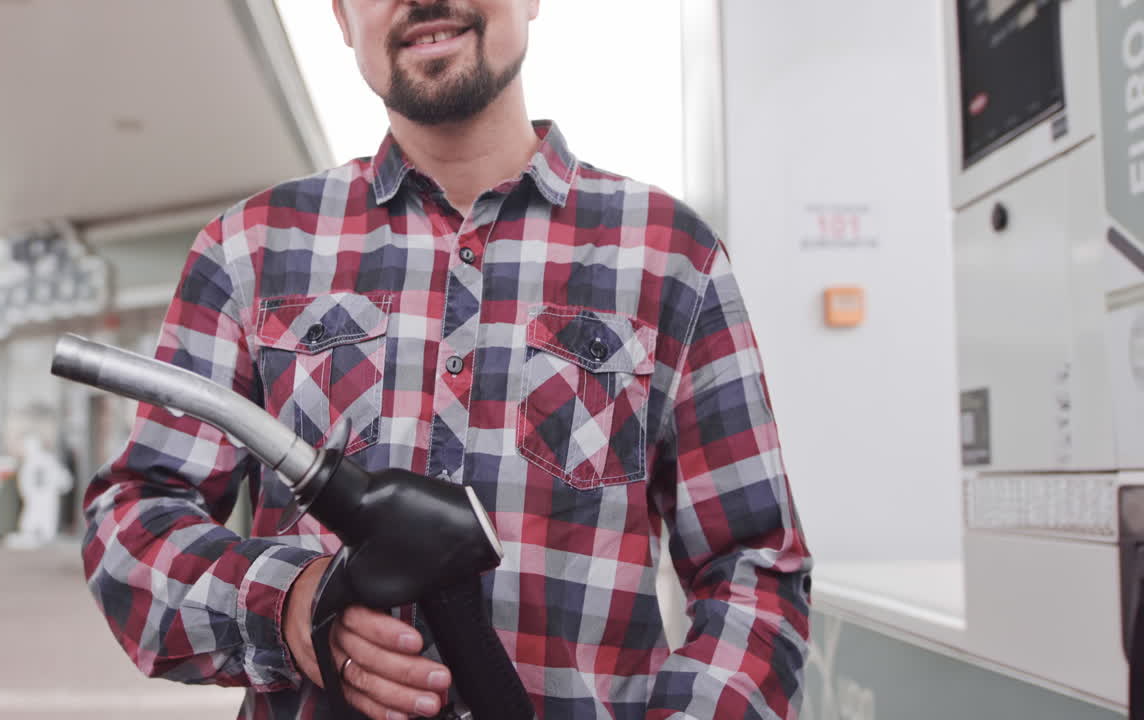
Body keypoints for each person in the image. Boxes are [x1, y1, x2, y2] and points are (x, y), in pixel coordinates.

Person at [80, 0, 812, 718]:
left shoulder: (669, 259)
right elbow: (134, 521)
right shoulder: (249, 251)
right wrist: (291, 606)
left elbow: (753, 573)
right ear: (341, 17)